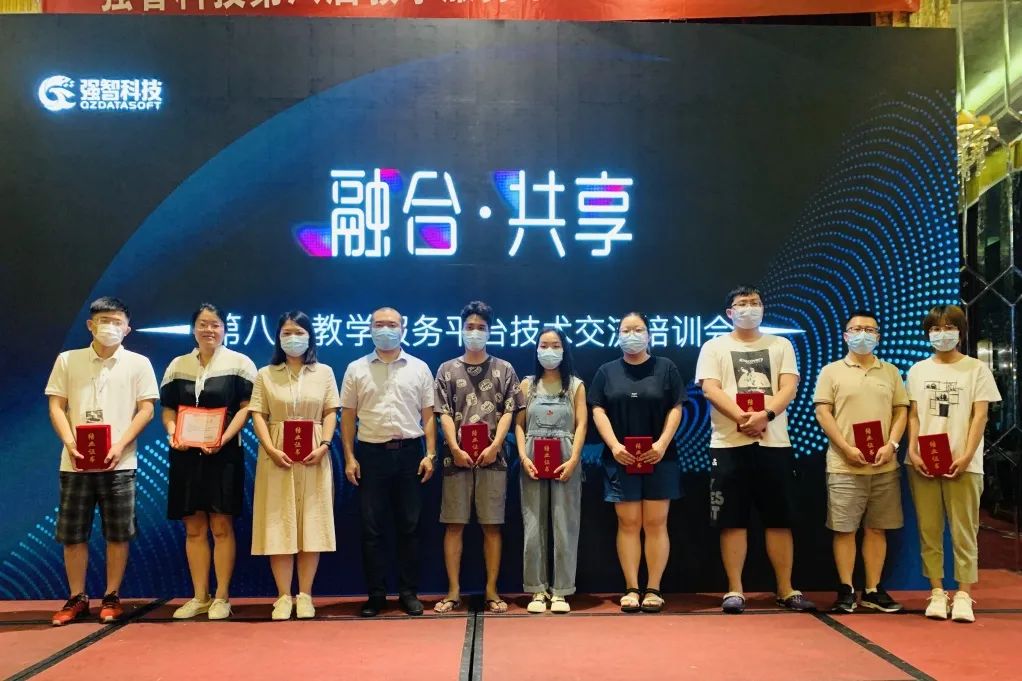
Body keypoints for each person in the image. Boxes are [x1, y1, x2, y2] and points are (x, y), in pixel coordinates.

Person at [696, 285, 816, 614]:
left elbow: (789, 387)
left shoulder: (780, 344)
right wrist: (742, 418)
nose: (750, 308)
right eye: (742, 304)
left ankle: (786, 589)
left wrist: (766, 416)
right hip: (728, 443)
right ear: (729, 313)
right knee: (732, 520)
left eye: (755, 303)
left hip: (774, 442)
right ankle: (735, 589)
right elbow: (710, 388)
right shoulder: (714, 346)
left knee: (779, 519)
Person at [46, 297, 160, 626]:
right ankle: (77, 596)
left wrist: (120, 445)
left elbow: (147, 410)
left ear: (127, 328)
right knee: (73, 533)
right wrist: (70, 443)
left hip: (120, 463)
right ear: (90, 325)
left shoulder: (139, 363)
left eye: (116, 322)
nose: (109, 327)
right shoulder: (68, 360)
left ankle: (112, 595)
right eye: (103, 320)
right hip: (75, 462)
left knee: (118, 533)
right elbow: (56, 406)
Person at [160, 303, 257, 620]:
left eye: (215, 324)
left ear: (225, 329)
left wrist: (222, 438)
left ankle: (222, 597)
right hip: (185, 455)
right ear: (193, 329)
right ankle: (200, 596)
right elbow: (169, 408)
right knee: (194, 527)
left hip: (224, 455)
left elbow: (247, 408)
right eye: (202, 324)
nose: (208, 330)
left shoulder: (240, 363)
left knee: (221, 525)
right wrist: (173, 432)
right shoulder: (177, 365)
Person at [906, 304, 1001, 623]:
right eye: (935, 328)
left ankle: (963, 593)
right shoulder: (917, 370)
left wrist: (967, 455)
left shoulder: (976, 369)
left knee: (964, 531)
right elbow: (914, 415)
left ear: (960, 332)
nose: (941, 333)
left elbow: (980, 416)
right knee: (929, 529)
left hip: (964, 462)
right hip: (923, 461)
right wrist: (913, 451)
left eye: (948, 327)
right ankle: (936, 591)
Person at [340, 307, 437, 617]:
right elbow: (348, 416)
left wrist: (430, 454)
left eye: (392, 324)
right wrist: (349, 457)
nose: (386, 330)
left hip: (410, 453)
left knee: (410, 526)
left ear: (403, 329)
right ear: (369, 329)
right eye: (379, 324)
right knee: (372, 529)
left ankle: (408, 593)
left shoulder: (419, 368)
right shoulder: (356, 368)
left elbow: (428, 415)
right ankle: (376, 595)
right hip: (371, 454)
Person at [433, 301, 524, 614]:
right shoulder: (446, 369)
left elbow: (510, 411)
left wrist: (496, 445)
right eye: (470, 327)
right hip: (455, 460)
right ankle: (453, 591)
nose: (475, 332)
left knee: (492, 526)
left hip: (493, 459)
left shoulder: (504, 369)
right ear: (461, 330)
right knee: (454, 525)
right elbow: (443, 413)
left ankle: (491, 590)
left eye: (481, 328)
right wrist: (454, 447)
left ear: (490, 331)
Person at [814, 311, 908, 613]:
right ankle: (845, 589)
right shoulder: (831, 371)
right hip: (844, 464)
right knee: (844, 529)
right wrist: (845, 448)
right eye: (856, 329)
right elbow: (823, 412)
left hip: (884, 465)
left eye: (869, 330)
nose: (863, 334)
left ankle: (872, 589)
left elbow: (901, 411)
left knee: (878, 528)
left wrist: (892, 445)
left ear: (878, 336)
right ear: (845, 336)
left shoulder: (890, 372)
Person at [590, 312, 684, 613]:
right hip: (620, 457)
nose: (632, 335)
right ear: (618, 335)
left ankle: (653, 588)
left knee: (656, 522)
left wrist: (662, 444)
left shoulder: (666, 367)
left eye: (638, 329)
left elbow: (676, 407)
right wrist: (614, 445)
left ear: (649, 335)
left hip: (660, 456)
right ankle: (631, 587)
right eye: (626, 330)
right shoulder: (606, 371)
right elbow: (597, 410)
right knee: (628, 522)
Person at [249, 312, 340, 620]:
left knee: (311, 522)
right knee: (279, 522)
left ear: (310, 336)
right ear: (278, 337)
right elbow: (258, 414)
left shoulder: (324, 372)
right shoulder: (265, 374)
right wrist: (270, 449)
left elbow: (331, 411)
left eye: (299, 332)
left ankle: (305, 595)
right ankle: (283, 596)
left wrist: (325, 445)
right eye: (287, 332)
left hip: (314, 452)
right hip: (277, 454)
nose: (293, 338)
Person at [515, 329, 587, 614]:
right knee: (533, 523)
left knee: (564, 523)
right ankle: (537, 589)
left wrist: (574, 459)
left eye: (555, 345)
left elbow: (582, 424)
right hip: (532, 456)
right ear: (536, 350)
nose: (549, 350)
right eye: (543, 345)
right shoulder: (527, 385)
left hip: (566, 456)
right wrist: (523, 456)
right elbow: (518, 424)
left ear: (564, 350)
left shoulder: (576, 386)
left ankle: (561, 591)